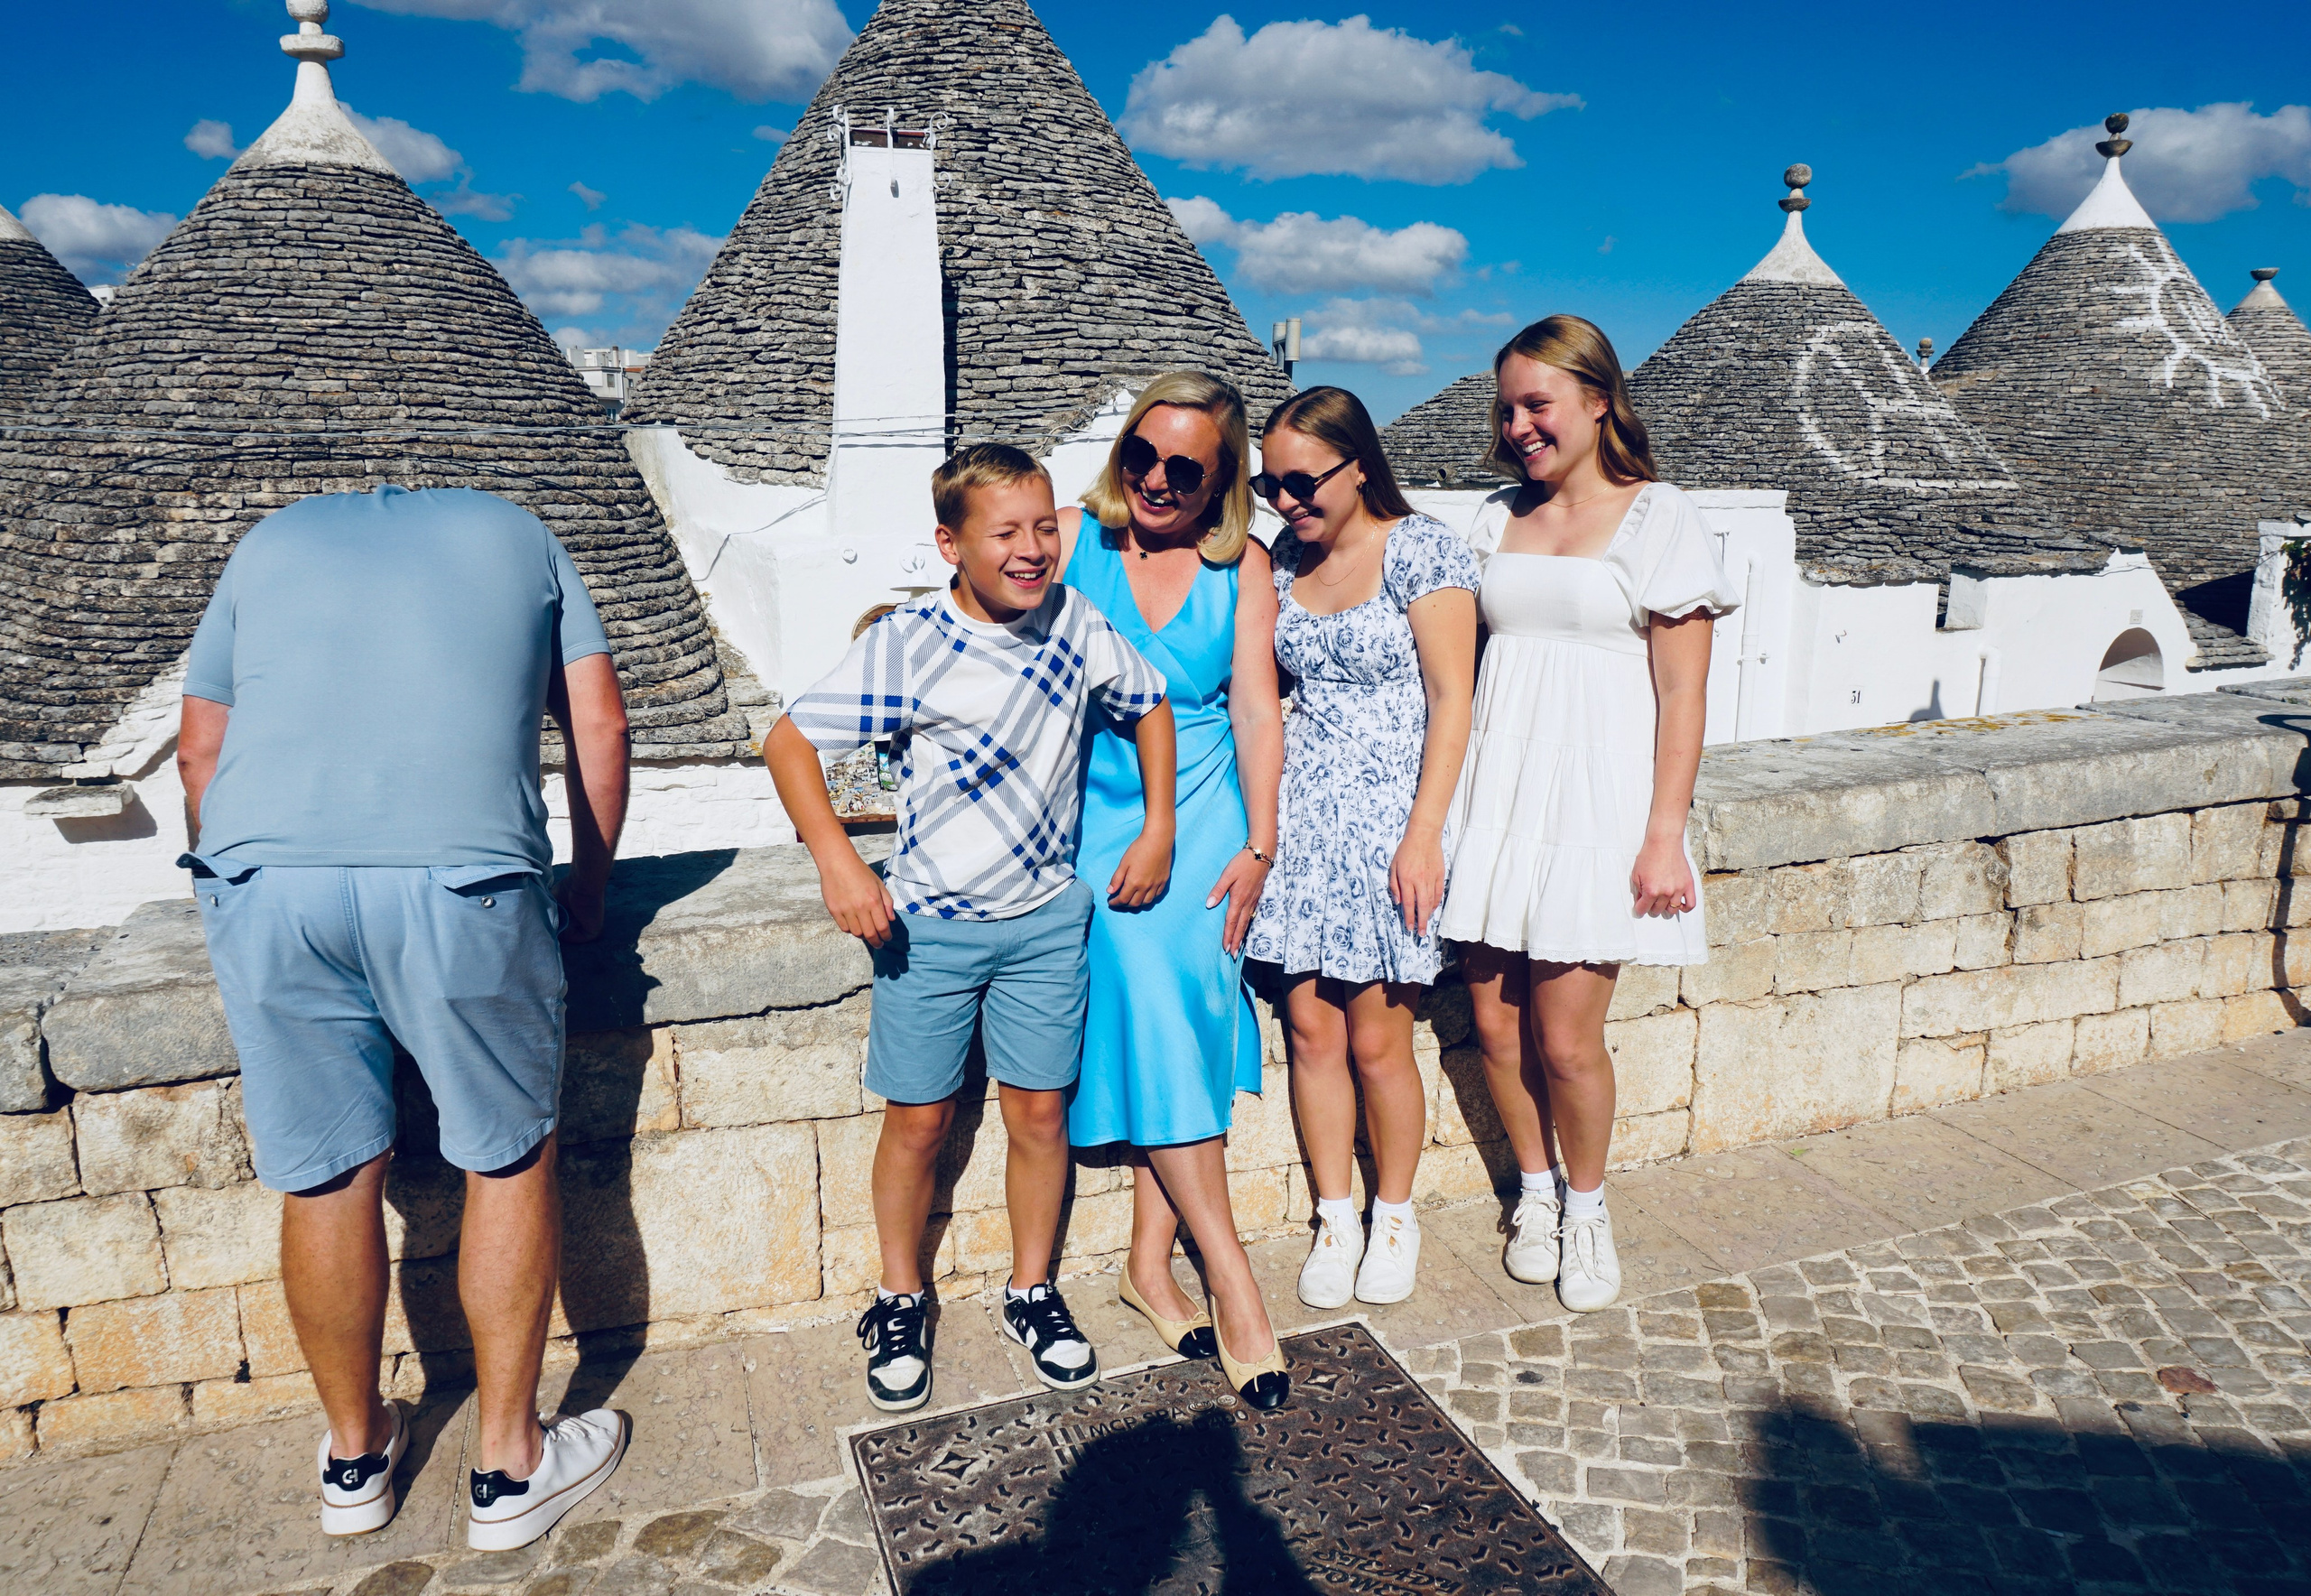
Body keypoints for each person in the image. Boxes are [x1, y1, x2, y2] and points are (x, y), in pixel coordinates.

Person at [175, 484, 632, 1549]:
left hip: (266, 885)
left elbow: (201, 751)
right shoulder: (524, 532)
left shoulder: (267, 541)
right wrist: (590, 887)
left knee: (326, 1172)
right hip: (462, 882)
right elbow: (599, 723)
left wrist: (247, 887)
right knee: (506, 1157)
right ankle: (509, 1466)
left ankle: (355, 1459)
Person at [765, 442, 1177, 1413]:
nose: (1032, 549)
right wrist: (838, 863)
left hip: (1044, 922)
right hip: (930, 931)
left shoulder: (1074, 621)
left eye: (1043, 527)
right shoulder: (910, 642)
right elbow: (788, 742)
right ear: (951, 544)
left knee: (1039, 1115)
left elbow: (1150, 705)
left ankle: (1031, 1290)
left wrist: (1158, 825)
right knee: (918, 1121)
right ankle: (898, 1295)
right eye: (1005, 533)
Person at [1438, 315, 1737, 1313]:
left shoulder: (1660, 517)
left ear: (1599, 400)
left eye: (1538, 404)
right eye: (1507, 408)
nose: (1519, 426)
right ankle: (1534, 1192)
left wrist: (1663, 834)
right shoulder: (1492, 518)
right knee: (1494, 1024)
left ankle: (1589, 1206)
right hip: (1496, 790)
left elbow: (1684, 692)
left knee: (1567, 1040)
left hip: (1593, 803)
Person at [1060, 372, 1290, 1410]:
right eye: (1140, 455)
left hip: (1204, 815)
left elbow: (1255, 707)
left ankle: (1151, 1265)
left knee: (1187, 1012)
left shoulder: (1244, 564)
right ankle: (1232, 1284)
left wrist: (1260, 844)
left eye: (1183, 468)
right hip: (1096, 821)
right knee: (1155, 999)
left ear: (1221, 481)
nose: (1155, 479)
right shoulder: (1073, 539)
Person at [1242, 387, 1479, 1311]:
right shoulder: (1282, 560)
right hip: (1303, 822)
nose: (1286, 500)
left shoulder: (1421, 549)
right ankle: (1334, 1217)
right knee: (1310, 1032)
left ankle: (1395, 1216)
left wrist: (1423, 835)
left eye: (1303, 481)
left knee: (1380, 1042)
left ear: (1358, 463)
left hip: (1390, 825)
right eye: (1270, 484)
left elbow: (1451, 699)